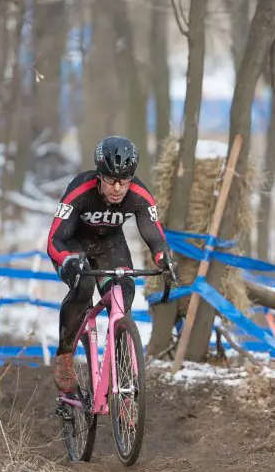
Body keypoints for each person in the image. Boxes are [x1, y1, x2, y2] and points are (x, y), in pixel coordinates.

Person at [46, 136, 177, 395]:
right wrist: (68, 261)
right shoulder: (80, 190)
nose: (117, 188)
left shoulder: (139, 194)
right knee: (83, 286)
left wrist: (163, 258)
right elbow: (54, 239)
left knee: (123, 291)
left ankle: (120, 366)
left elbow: (154, 235)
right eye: (110, 180)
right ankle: (65, 355)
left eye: (124, 181)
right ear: (99, 176)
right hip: (73, 244)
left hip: (109, 244)